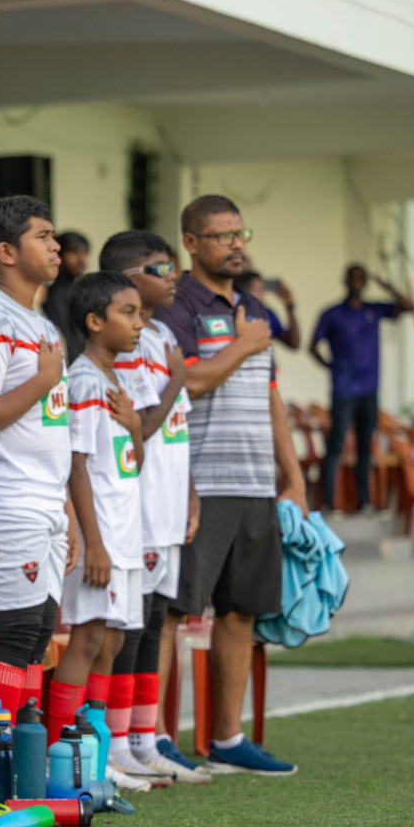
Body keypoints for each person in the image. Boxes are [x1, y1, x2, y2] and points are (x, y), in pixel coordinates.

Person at [160, 194, 306, 775]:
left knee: (240, 613)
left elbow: (270, 398)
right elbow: (186, 382)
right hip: (199, 481)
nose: (236, 244)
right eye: (222, 235)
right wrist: (246, 345)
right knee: (176, 611)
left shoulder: (253, 305)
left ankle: (226, 738)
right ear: (192, 244)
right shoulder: (180, 305)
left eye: (240, 233)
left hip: (253, 483)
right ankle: (156, 738)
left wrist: (291, 477)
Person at [0, 196, 79, 746]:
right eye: (43, 236)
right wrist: (42, 379)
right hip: (9, 499)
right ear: (6, 252)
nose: (56, 246)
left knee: (39, 635)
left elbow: (54, 430)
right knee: (14, 633)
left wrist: (70, 511)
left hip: (47, 502)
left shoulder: (38, 320)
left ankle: (26, 760)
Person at [99, 231, 209, 785]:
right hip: (135, 508)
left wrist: (189, 492)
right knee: (131, 625)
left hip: (169, 506)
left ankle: (146, 737)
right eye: (160, 266)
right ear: (127, 277)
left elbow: (176, 432)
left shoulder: (161, 331)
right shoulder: (124, 341)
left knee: (159, 618)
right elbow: (136, 425)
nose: (174, 274)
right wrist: (176, 383)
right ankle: (116, 744)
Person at [52, 272, 157, 794]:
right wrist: (92, 541)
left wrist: (137, 427)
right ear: (95, 322)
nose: (139, 323)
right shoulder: (86, 381)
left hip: (124, 531)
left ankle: (94, 757)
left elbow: (127, 459)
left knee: (112, 639)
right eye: (128, 313)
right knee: (89, 635)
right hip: (103, 534)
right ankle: (64, 754)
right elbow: (76, 465)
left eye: (140, 313)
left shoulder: (116, 379)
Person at [310, 264, 414, 513]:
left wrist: (386, 286)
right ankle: (328, 503)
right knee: (336, 445)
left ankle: (364, 502)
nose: (357, 282)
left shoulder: (374, 310)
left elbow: (410, 307)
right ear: (344, 281)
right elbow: (312, 345)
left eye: (361, 278)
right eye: (353, 278)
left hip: (369, 389)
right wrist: (330, 367)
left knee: (365, 447)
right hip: (344, 390)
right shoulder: (332, 313)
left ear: (365, 282)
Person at [42, 230, 90, 361]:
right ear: (59, 255)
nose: (81, 260)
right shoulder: (55, 295)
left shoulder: (80, 291)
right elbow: (66, 339)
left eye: (84, 253)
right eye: (74, 252)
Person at [237, 270, 300, 349]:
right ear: (245, 294)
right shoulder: (234, 316)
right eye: (260, 291)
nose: (264, 298)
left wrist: (289, 308)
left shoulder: (267, 313)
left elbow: (293, 344)